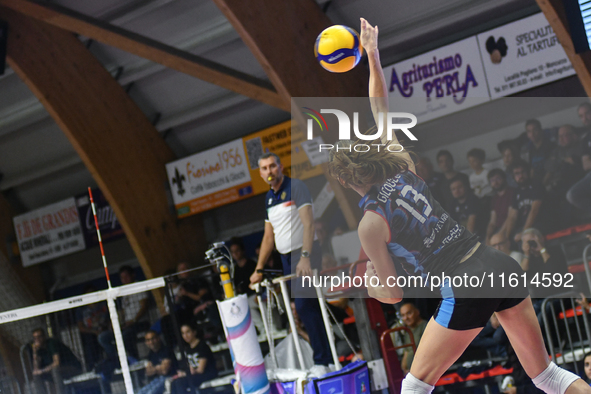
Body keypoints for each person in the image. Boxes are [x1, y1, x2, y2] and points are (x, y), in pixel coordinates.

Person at [326, 17, 589, 394]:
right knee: (546, 375)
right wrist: (372, 54)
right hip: (497, 262)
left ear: (348, 180)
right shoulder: (402, 163)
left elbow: (394, 293)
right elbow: (379, 106)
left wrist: (367, 284)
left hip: (464, 284)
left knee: (415, 388)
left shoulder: (370, 223)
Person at [249, 152, 333, 368]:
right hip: (285, 258)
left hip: (305, 253)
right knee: (306, 308)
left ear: (281, 166)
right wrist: (258, 269)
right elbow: (269, 237)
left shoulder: (296, 187)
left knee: (304, 306)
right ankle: (327, 359)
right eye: (265, 168)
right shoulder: (268, 198)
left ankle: (322, 361)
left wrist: (305, 257)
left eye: (273, 166)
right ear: (260, 173)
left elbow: (309, 224)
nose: (270, 171)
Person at [98, 265, 149, 360]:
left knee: (125, 336)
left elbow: (144, 306)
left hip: (140, 323)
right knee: (103, 337)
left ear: (133, 275)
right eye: (122, 278)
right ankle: (117, 359)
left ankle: (134, 359)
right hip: (126, 325)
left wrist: (133, 321)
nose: (124, 279)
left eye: (126, 276)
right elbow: (122, 312)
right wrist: (115, 323)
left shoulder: (139, 286)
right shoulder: (123, 291)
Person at [28, 328, 82, 394]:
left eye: (39, 337)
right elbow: (36, 368)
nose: (37, 340)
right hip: (56, 372)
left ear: (44, 337)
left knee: (55, 370)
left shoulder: (52, 343)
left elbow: (56, 363)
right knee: (36, 375)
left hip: (73, 368)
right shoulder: (39, 349)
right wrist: (35, 352)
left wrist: (42, 371)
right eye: (35, 338)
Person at [503, 161, 546, 242]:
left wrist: (524, 232)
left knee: (524, 239)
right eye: (517, 173)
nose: (520, 176)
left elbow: (534, 211)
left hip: (540, 224)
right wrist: (506, 238)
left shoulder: (537, 185)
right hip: (524, 227)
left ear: (528, 172)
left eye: (523, 172)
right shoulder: (516, 192)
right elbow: (512, 216)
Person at [171, 324, 218, 394]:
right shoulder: (188, 349)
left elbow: (200, 370)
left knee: (181, 383)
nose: (185, 336)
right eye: (183, 333)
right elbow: (191, 367)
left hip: (207, 373)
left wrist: (185, 373)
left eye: (188, 332)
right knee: (174, 383)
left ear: (194, 332)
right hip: (195, 375)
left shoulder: (202, 346)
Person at [76, 285, 110, 370]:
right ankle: (93, 367)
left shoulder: (104, 305)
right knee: (90, 343)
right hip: (90, 333)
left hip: (105, 330)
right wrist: (94, 332)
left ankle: (111, 362)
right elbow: (81, 327)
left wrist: (106, 327)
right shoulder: (81, 310)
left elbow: (110, 319)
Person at [396, 302, 427, 375]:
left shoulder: (425, 327)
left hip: (423, 371)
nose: (406, 318)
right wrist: (404, 369)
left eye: (409, 313)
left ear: (417, 312)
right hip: (411, 374)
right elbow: (406, 352)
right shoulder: (408, 332)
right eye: (403, 315)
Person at [486, 168, 516, 245]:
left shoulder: (512, 193)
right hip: (497, 229)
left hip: (510, 228)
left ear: (504, 179)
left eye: (498, 179)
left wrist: (499, 234)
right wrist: (488, 237)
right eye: (492, 180)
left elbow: (510, 217)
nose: (495, 182)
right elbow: (492, 222)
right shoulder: (494, 199)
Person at [524, 119, 555, 184]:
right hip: (537, 185)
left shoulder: (550, 146)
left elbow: (551, 169)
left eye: (534, 130)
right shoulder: (531, 150)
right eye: (529, 131)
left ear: (540, 131)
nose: (532, 134)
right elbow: (532, 170)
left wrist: (542, 186)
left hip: (550, 182)